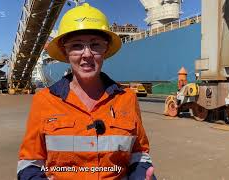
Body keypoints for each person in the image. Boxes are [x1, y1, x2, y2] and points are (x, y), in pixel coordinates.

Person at [17, 3, 156, 180]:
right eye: (77, 46)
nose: (87, 54)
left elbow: (139, 155)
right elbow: (29, 163)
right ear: (65, 51)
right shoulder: (44, 100)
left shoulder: (127, 98)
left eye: (95, 45)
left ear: (105, 50)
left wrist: (143, 176)